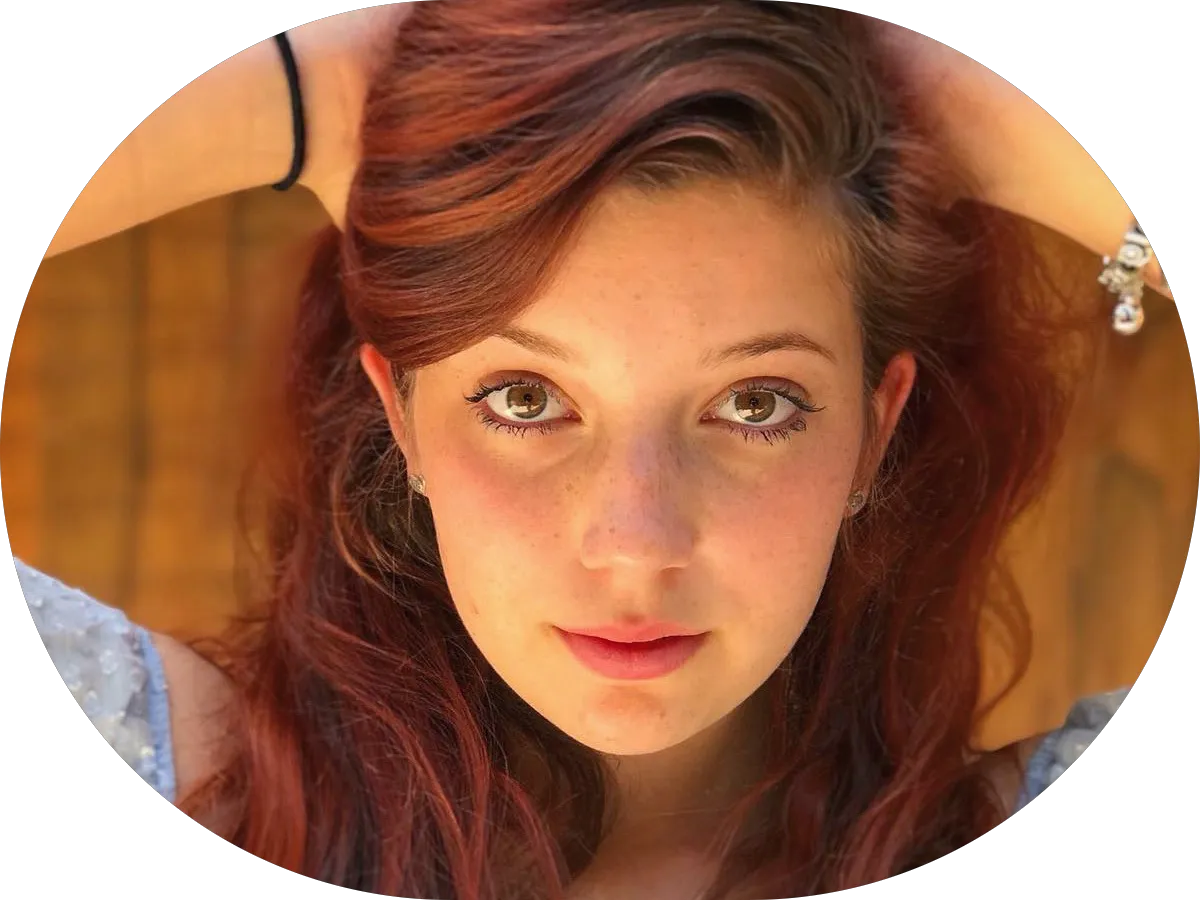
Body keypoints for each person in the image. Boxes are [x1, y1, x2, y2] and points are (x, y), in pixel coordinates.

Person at [18, 3, 1160, 898]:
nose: (634, 542)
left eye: (755, 403)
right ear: (402, 417)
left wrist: (928, 97)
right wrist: (311, 90)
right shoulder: (169, 768)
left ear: (876, 431)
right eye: (526, 399)